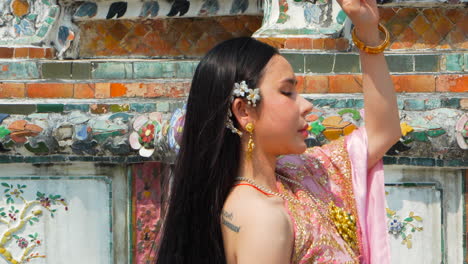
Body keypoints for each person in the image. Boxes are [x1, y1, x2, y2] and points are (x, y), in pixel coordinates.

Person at [156, 0, 401, 261]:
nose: (306, 105)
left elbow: (382, 133)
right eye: (287, 92)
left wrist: (367, 31)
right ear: (244, 111)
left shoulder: (297, 175)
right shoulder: (263, 217)